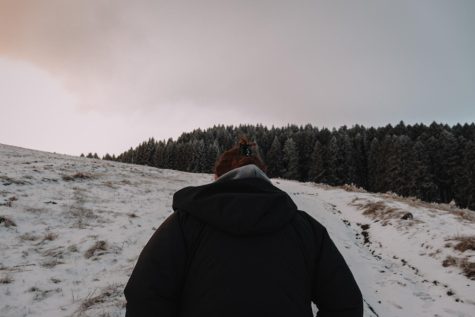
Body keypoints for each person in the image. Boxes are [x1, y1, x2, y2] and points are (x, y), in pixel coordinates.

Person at [124, 138, 363, 317]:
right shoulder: (306, 229)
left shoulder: (184, 224)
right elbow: (346, 304)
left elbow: (144, 297)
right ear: (263, 175)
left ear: (216, 175)